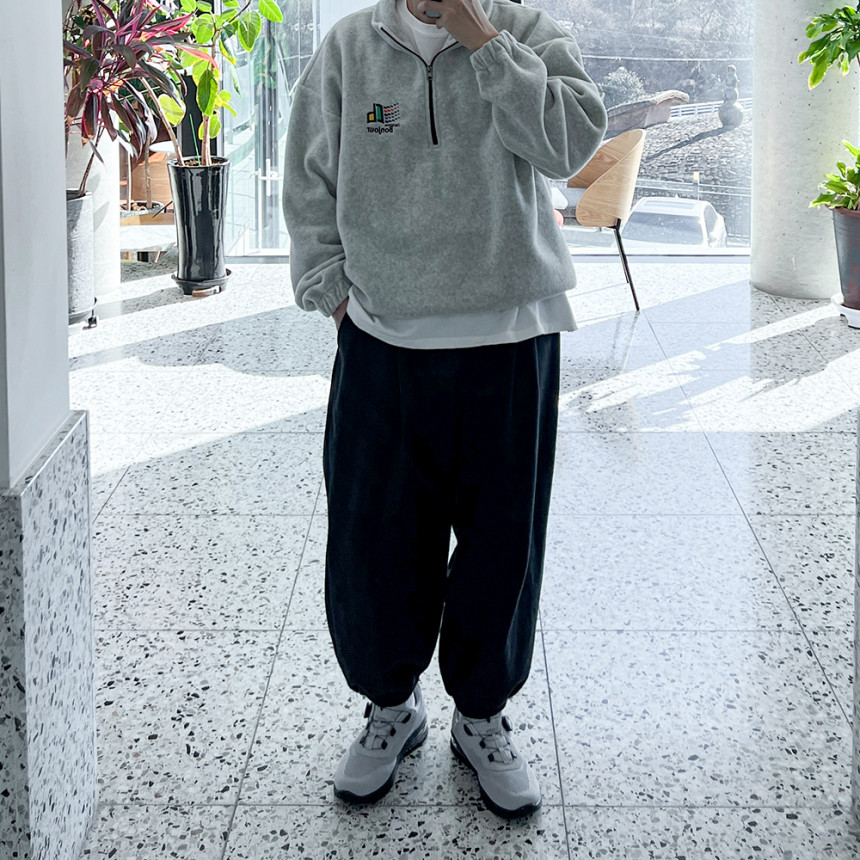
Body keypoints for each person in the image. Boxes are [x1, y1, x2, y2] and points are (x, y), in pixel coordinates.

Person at [283, 0, 607, 820]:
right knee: (374, 545)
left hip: (512, 336)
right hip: (383, 341)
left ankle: (482, 715)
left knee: (503, 547)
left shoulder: (527, 34)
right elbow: (309, 181)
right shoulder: (348, 48)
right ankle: (392, 707)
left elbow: (571, 147)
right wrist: (333, 297)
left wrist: (482, 41)